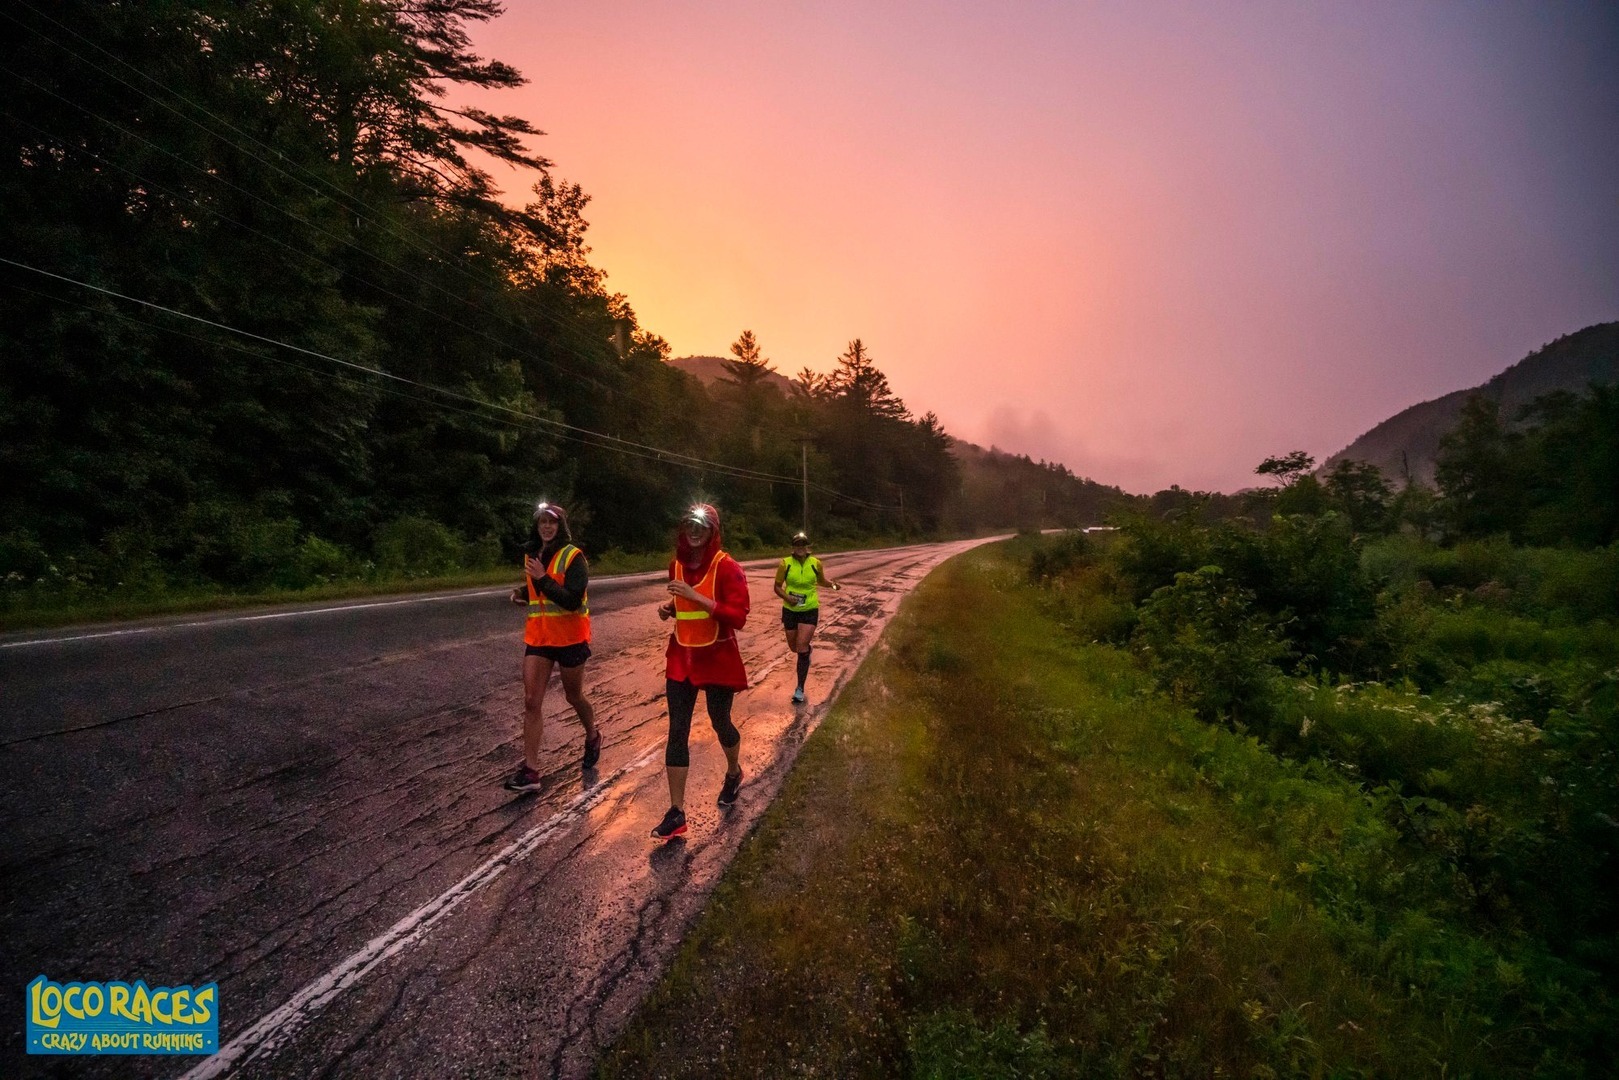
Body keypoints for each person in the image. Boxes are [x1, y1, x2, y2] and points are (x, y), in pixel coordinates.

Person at [651, 503, 750, 840]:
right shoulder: (676, 565)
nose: (694, 532)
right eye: (689, 526)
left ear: (712, 531)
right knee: (677, 729)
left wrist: (695, 597)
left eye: (701, 527)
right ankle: (676, 812)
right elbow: (686, 607)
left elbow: (738, 616)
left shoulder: (728, 567)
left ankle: (734, 772)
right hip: (682, 656)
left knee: (719, 721)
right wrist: (671, 608)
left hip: (717, 656)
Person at [504, 502, 601, 792]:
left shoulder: (573, 557)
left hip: (570, 638)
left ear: (561, 526)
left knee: (574, 696)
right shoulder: (532, 554)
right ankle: (531, 772)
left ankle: (593, 734)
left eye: (552, 522)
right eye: (542, 522)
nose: (546, 527)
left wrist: (541, 580)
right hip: (539, 639)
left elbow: (571, 599)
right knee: (532, 700)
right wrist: (523, 592)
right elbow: (539, 589)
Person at [774, 530, 840, 704]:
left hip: (810, 609)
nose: (801, 548)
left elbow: (821, 581)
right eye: (797, 545)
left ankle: (799, 688)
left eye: (803, 545)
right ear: (793, 547)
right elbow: (777, 586)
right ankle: (806, 653)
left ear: (807, 546)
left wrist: (833, 586)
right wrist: (788, 598)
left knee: (801, 646)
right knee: (794, 647)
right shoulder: (785, 564)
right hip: (790, 610)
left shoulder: (815, 563)